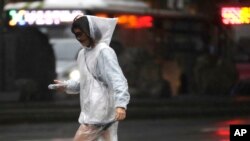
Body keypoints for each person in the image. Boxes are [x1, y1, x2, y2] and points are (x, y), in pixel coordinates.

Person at [50, 15, 130, 141]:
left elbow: (117, 79)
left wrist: (121, 104)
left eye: (80, 34)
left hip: (100, 115)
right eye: (76, 35)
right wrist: (66, 86)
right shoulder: (83, 54)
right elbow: (85, 82)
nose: (78, 38)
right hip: (93, 112)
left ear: (90, 32)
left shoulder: (104, 52)